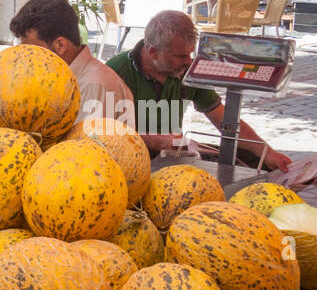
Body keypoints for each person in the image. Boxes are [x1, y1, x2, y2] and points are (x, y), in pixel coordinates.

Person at [105, 10, 291, 171]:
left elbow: (223, 118)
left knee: (251, 161)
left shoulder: (185, 70)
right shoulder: (117, 72)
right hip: (125, 163)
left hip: (171, 159)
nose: (188, 61)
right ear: (153, 52)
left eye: (190, 53)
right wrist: (154, 141)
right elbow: (102, 133)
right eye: (181, 56)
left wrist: (267, 153)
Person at [9, 0, 135, 128]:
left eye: (33, 51)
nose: (28, 59)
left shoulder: (94, 86)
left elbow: (82, 146)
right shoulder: (60, 77)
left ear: (60, 46)